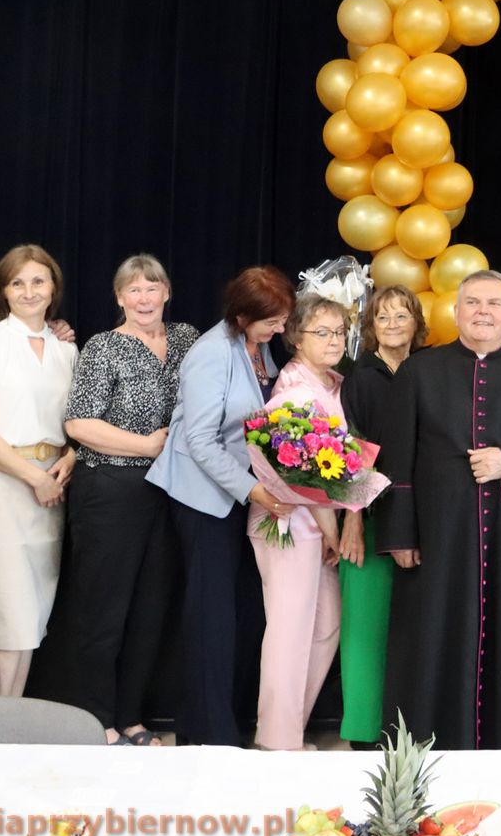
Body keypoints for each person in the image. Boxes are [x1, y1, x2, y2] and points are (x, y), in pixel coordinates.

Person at [376, 269, 501, 749]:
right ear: (457, 311)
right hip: (437, 536)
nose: (483, 312)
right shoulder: (419, 372)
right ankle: (427, 747)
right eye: (473, 303)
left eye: (493, 304)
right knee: (431, 639)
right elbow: (396, 458)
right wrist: (400, 534)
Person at [147, 265, 298, 746]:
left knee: (239, 615)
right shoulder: (211, 353)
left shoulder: (258, 346)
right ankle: (207, 735)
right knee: (210, 617)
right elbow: (201, 441)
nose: (281, 329)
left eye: (283, 319)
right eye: (272, 321)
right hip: (203, 499)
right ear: (241, 316)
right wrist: (255, 491)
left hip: (239, 496)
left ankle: (231, 721)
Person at [58, 254, 198, 745]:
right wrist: (145, 445)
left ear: (167, 292)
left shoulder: (187, 339)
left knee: (150, 609)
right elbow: (78, 423)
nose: (144, 298)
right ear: (119, 298)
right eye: (133, 290)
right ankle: (98, 721)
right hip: (110, 489)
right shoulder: (103, 347)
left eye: (152, 287)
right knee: (104, 610)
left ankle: (133, 717)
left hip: (167, 491)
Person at [0, 245, 78, 699]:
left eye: (38, 281)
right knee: (11, 611)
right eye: (17, 283)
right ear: (3, 291)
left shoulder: (67, 349)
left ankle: (11, 715)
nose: (28, 291)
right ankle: (0, 717)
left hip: (54, 486)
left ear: (53, 288)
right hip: (6, 482)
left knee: (35, 610)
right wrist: (34, 478)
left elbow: (76, 424)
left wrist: (68, 460)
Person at [247, 293, 347, 751]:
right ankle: (276, 743)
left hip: (320, 526)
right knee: (289, 632)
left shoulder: (333, 384)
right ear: (295, 338)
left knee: (326, 626)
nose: (334, 340)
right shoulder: (294, 392)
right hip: (286, 524)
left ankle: (290, 729)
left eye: (339, 332)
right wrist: (333, 532)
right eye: (321, 332)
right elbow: (306, 475)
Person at [337, 285, 428, 749]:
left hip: (423, 519)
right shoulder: (359, 378)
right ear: (370, 327)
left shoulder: (430, 370)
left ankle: (408, 727)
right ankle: (363, 733)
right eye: (383, 317)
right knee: (365, 628)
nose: (392, 325)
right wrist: (353, 519)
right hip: (372, 516)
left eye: (401, 316)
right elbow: (353, 452)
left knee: (413, 630)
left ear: (417, 322)